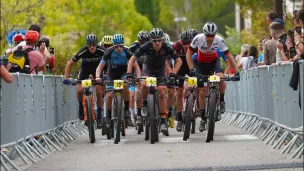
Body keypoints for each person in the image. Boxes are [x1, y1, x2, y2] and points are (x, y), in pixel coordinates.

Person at [127, 28, 182, 133]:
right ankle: (144, 104)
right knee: (144, 83)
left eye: (159, 40)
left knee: (162, 91)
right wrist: (129, 73)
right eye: (154, 41)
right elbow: (132, 59)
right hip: (148, 67)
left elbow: (179, 60)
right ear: (151, 41)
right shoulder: (146, 46)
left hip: (160, 69)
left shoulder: (167, 47)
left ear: (162, 40)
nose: (157, 43)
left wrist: (174, 72)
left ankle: (162, 120)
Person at [186, 22, 238, 132]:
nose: (210, 38)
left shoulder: (219, 40)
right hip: (201, 64)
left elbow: (229, 57)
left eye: (212, 36)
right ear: (204, 34)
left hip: (214, 62)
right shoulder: (198, 38)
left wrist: (237, 72)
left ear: (215, 35)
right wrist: (191, 69)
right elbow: (188, 54)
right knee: (202, 91)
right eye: (208, 35)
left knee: (220, 78)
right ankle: (203, 118)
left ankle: (222, 100)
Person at [63, 34, 105, 128]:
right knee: (79, 90)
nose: (92, 47)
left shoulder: (101, 50)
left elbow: (109, 60)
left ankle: (99, 117)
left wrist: (107, 75)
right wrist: (66, 79)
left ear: (97, 44)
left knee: (99, 91)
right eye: (90, 45)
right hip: (85, 70)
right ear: (87, 45)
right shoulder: (83, 51)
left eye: (94, 45)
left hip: (97, 70)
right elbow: (69, 64)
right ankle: (81, 107)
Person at [95, 34, 138, 127]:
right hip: (112, 74)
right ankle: (109, 117)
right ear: (113, 46)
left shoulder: (127, 51)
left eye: (121, 46)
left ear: (123, 45)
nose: (119, 48)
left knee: (126, 86)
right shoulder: (109, 52)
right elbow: (100, 67)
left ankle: (126, 111)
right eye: (116, 46)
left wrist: (139, 77)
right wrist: (97, 76)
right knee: (109, 95)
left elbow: (136, 65)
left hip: (123, 73)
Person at [128, 30, 150, 125]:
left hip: (147, 68)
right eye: (142, 42)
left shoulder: (151, 46)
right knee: (136, 93)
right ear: (138, 41)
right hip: (135, 68)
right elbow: (130, 61)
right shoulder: (133, 47)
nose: (143, 43)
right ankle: (137, 115)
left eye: (146, 41)